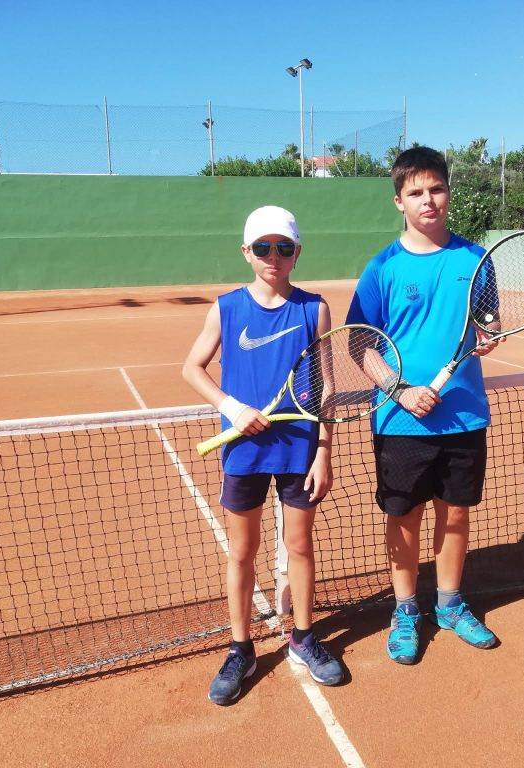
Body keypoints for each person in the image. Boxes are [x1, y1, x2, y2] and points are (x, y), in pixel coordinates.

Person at [345, 146, 501, 664]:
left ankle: (451, 605)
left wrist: (490, 335)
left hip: (463, 414)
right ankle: (407, 609)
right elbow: (359, 343)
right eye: (416, 192)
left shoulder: (476, 259)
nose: (428, 200)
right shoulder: (382, 268)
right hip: (400, 420)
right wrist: (399, 390)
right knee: (405, 516)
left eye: (436, 189)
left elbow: (489, 320)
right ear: (399, 201)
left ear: (448, 193)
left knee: (455, 513)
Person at [183, 205, 344, 704]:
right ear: (247, 253)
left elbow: (327, 388)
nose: (274, 256)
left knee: (300, 546)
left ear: (297, 252)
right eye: (263, 247)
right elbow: (192, 367)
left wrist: (324, 452)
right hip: (244, 451)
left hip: (300, 449)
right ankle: (241, 649)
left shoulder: (314, 309)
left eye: (284, 247)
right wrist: (232, 408)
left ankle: (303, 638)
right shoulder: (226, 308)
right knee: (242, 551)